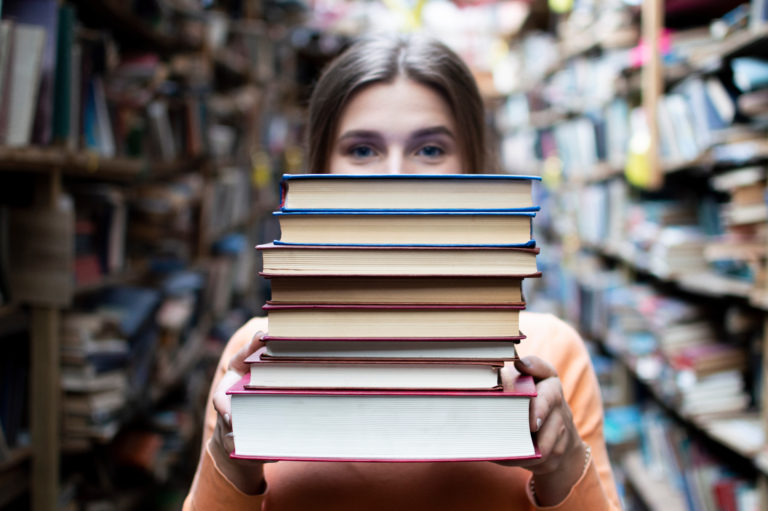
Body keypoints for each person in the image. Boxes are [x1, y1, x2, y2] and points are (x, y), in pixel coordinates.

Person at [183, 33, 621, 510]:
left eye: (430, 150)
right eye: (362, 150)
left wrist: (562, 465)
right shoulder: (252, 362)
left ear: (475, 169)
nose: (395, 176)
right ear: (319, 173)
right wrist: (234, 464)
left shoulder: (553, 354)